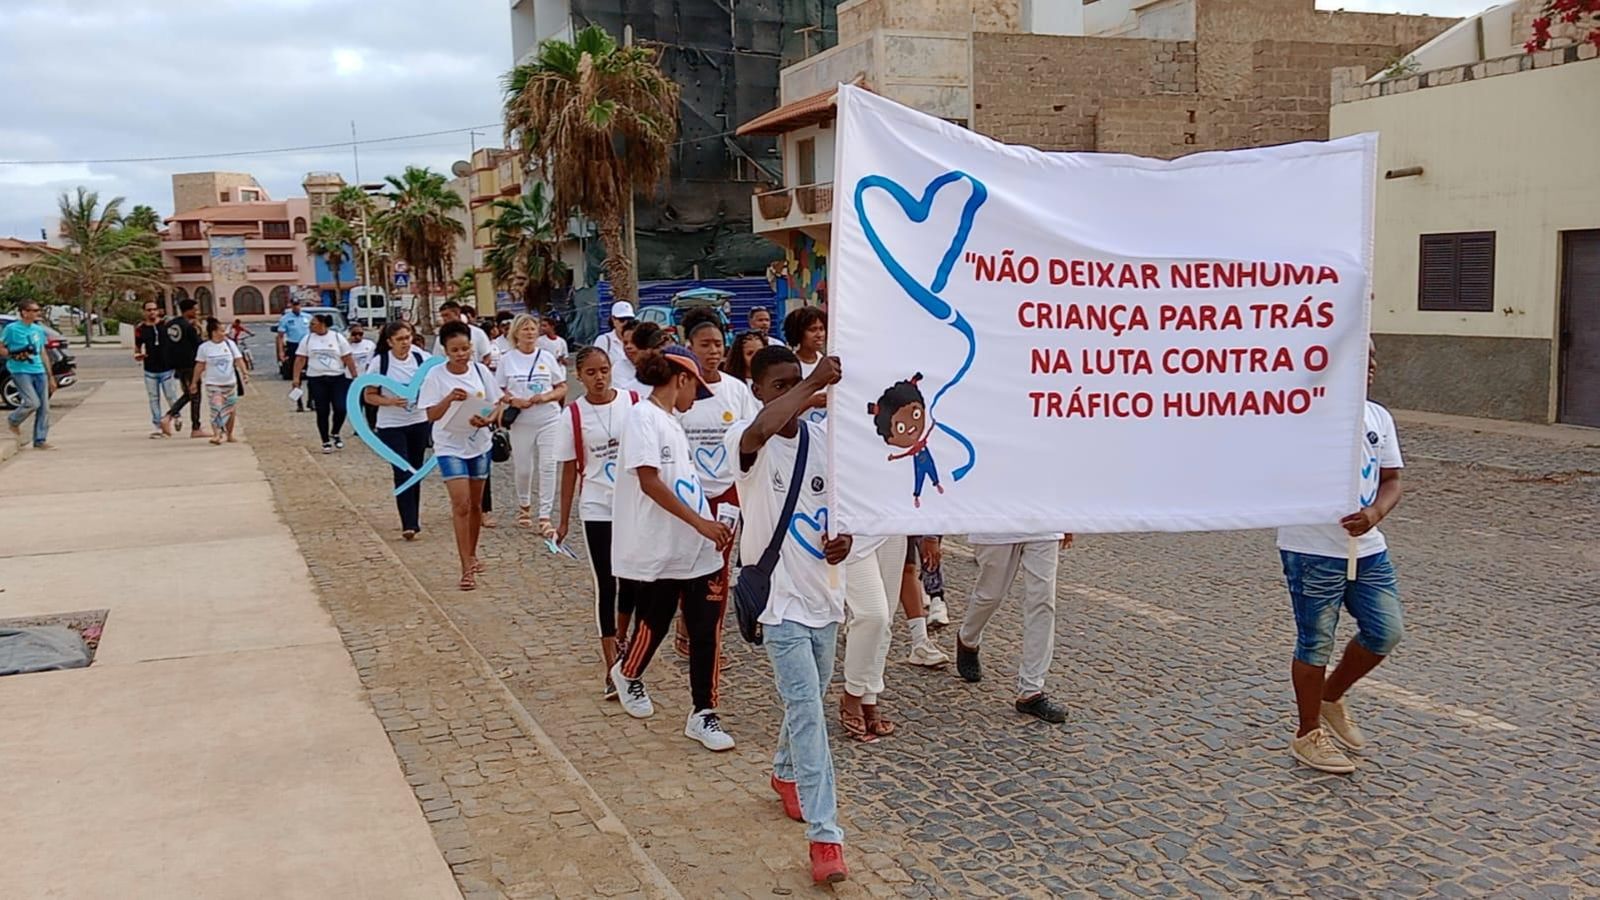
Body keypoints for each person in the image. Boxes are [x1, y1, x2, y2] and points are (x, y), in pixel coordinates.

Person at [725, 346, 851, 885]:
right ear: (757, 392)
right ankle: (826, 838)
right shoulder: (749, 445)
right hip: (778, 603)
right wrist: (813, 385)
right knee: (807, 708)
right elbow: (767, 425)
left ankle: (782, 773)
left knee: (811, 699)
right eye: (777, 386)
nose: (787, 394)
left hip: (823, 595)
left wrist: (846, 541)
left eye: (792, 383)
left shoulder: (825, 443)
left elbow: (842, 515)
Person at [1278, 346, 1405, 774]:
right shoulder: (1300, 414)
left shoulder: (1378, 417)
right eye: (1360, 356)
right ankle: (1307, 732)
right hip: (1312, 549)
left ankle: (1331, 696)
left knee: (1385, 630)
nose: (1371, 365)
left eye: (1374, 357)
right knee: (1316, 642)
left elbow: (1392, 480)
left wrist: (1374, 514)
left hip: (1368, 549)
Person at [608, 344, 735, 753]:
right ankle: (627, 672)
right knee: (656, 620)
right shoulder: (643, 418)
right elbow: (649, 480)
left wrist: (711, 522)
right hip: (664, 545)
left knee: (706, 630)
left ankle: (703, 711)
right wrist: (700, 522)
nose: (693, 400)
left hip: (698, 546)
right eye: (693, 389)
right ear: (682, 378)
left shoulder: (671, 422)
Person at [554, 346, 642, 699]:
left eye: (604, 370)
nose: (599, 377)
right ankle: (611, 664)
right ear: (579, 375)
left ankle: (622, 639)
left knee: (633, 580)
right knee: (607, 582)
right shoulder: (573, 415)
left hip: (632, 503)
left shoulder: (633, 403)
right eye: (591, 372)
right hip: (597, 506)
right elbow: (567, 470)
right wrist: (561, 521)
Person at [677, 309, 759, 656]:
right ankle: (685, 621)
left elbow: (752, 438)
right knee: (686, 562)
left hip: (728, 493)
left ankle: (708, 640)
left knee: (718, 567)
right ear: (689, 347)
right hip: (689, 494)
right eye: (705, 345)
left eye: (718, 345)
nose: (712, 351)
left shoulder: (737, 391)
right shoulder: (680, 390)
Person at [954, 533, 1073, 723]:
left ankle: (1031, 690)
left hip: (1043, 521)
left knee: (1042, 601)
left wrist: (1066, 519)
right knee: (990, 596)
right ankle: (968, 638)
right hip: (998, 522)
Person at [419, 320, 502, 591]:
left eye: (465, 348)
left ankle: (473, 552)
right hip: (449, 445)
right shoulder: (436, 376)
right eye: (455, 350)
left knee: (477, 505)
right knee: (461, 504)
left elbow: (496, 403)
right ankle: (465, 566)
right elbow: (430, 414)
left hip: (479, 443)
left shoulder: (480, 371)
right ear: (445, 350)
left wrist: (486, 419)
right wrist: (449, 400)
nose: (461, 354)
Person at [497, 313, 568, 533]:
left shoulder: (546, 357)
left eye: (532, 328)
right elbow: (498, 390)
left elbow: (562, 386)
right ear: (516, 333)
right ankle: (524, 505)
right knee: (524, 468)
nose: (529, 333)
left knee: (548, 466)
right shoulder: (507, 359)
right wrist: (512, 400)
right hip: (521, 421)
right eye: (525, 329)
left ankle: (545, 515)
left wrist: (545, 397)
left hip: (548, 417)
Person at [364, 321, 433, 541]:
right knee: (402, 470)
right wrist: (391, 401)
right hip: (391, 425)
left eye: (408, 337)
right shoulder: (380, 363)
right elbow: (369, 395)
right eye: (400, 339)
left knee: (415, 470)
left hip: (418, 421)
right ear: (389, 342)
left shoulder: (422, 359)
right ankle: (408, 522)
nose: (405, 343)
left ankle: (414, 517)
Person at [292, 314, 358, 453]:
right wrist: (296, 378)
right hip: (316, 378)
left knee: (341, 408)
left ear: (323, 324)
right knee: (322, 411)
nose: (310, 326)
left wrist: (355, 377)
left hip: (337, 378)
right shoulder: (308, 339)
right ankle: (325, 440)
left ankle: (335, 432)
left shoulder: (337, 337)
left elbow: (347, 358)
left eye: (313, 324)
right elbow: (300, 359)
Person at [2, 301, 57, 450]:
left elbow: (42, 352)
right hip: (20, 370)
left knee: (44, 407)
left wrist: (50, 375)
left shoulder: (38, 330)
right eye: (33, 310)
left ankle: (40, 439)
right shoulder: (11, 329)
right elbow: (1, 346)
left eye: (38, 310)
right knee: (32, 402)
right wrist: (12, 354)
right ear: (24, 312)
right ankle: (14, 420)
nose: (36, 313)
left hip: (38, 370)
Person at [192, 317, 247, 445]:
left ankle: (229, 434)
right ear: (214, 332)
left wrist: (244, 373)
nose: (224, 333)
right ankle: (217, 434)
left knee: (230, 409)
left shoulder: (229, 344)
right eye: (221, 331)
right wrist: (194, 381)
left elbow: (239, 359)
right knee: (216, 408)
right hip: (213, 384)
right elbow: (199, 365)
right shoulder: (204, 348)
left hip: (230, 383)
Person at [900, 536, 950, 667]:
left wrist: (930, 537)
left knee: (907, 568)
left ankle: (920, 641)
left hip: (897, 520)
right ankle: (855, 617)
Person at [161, 299, 206, 437]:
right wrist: (200, 330)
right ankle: (194, 427)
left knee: (189, 393)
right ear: (188, 310)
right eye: (195, 309)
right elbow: (200, 345)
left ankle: (171, 416)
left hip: (177, 365)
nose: (197, 312)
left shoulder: (170, 325)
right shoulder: (188, 326)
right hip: (190, 364)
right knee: (195, 395)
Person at [134, 300, 179, 438]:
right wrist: (138, 355)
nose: (152, 312)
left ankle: (175, 416)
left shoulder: (166, 324)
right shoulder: (141, 329)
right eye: (149, 310)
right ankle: (158, 425)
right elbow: (137, 346)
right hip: (150, 369)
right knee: (154, 398)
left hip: (167, 368)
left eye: (154, 309)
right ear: (144, 312)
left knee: (171, 396)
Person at [783, 306, 828, 419]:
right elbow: (781, 412)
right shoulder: (788, 367)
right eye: (813, 330)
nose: (819, 334)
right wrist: (810, 402)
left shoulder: (828, 362)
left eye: (821, 329)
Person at [276, 298, 311, 410]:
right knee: (296, 377)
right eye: (294, 305)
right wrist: (281, 352)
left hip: (307, 346)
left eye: (298, 305)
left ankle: (311, 400)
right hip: (293, 347)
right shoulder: (285, 319)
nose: (297, 307)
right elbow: (280, 337)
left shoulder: (308, 317)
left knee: (312, 376)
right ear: (291, 305)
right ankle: (299, 402)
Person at [594, 300, 638, 389]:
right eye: (622, 320)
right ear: (613, 320)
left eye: (629, 320)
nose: (626, 323)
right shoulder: (604, 341)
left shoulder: (639, 341)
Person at [348, 324, 379, 429]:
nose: (357, 336)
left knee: (370, 405)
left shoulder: (369, 345)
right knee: (356, 405)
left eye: (360, 334)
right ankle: (358, 427)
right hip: (351, 379)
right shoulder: (346, 346)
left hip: (366, 379)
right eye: (354, 334)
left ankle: (372, 426)